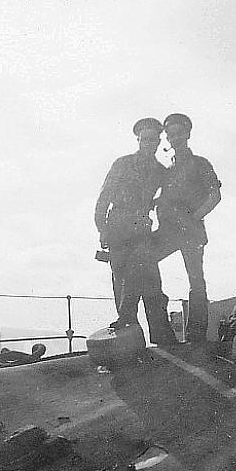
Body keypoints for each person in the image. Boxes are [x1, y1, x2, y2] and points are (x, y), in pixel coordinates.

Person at [94, 118, 177, 346]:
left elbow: (171, 196)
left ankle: (162, 337)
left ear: (158, 141)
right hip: (118, 228)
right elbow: (104, 198)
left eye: (153, 139)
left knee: (151, 283)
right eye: (145, 139)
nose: (149, 143)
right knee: (121, 283)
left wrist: (158, 203)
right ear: (139, 140)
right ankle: (129, 341)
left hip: (141, 229)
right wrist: (102, 228)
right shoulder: (122, 164)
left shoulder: (160, 171)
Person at [153, 113, 221, 341]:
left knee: (196, 281)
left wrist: (194, 216)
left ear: (188, 134)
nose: (174, 139)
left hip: (191, 231)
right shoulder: (168, 170)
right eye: (170, 135)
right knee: (145, 263)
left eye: (178, 133)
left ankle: (196, 336)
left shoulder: (200, 163)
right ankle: (162, 332)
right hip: (169, 231)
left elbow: (215, 195)